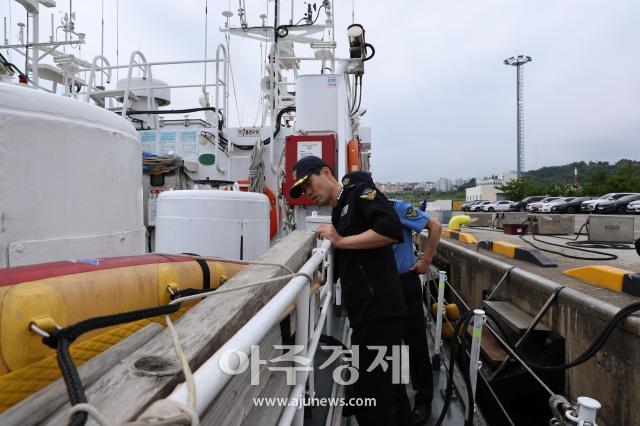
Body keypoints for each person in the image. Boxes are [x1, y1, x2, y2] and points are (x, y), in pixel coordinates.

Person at [289, 156, 412, 426]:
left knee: (372, 396)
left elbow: (390, 230)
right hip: (368, 310)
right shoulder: (339, 210)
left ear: (326, 172)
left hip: (378, 309)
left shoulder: (359, 195)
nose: (308, 193)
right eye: (302, 190)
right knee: (390, 388)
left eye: (308, 183)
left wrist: (341, 241)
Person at [341, 172, 441, 425]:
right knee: (389, 348)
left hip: (404, 282)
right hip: (380, 288)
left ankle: (424, 401)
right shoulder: (356, 218)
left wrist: (426, 261)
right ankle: (397, 404)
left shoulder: (395, 209)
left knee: (416, 344)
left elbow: (434, 226)